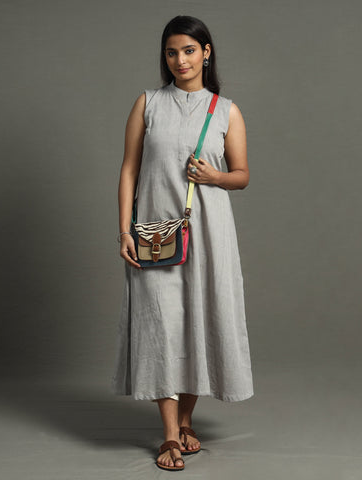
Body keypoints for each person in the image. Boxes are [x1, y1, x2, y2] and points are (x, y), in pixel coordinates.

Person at [112, 15, 254, 471]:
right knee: (161, 323)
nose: (181, 60)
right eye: (172, 52)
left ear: (206, 53)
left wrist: (215, 176)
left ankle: (187, 420)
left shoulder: (226, 110)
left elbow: (242, 175)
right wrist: (125, 230)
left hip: (209, 233)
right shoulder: (148, 103)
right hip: (155, 234)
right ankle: (170, 434)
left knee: (198, 317)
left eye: (189, 51)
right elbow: (129, 169)